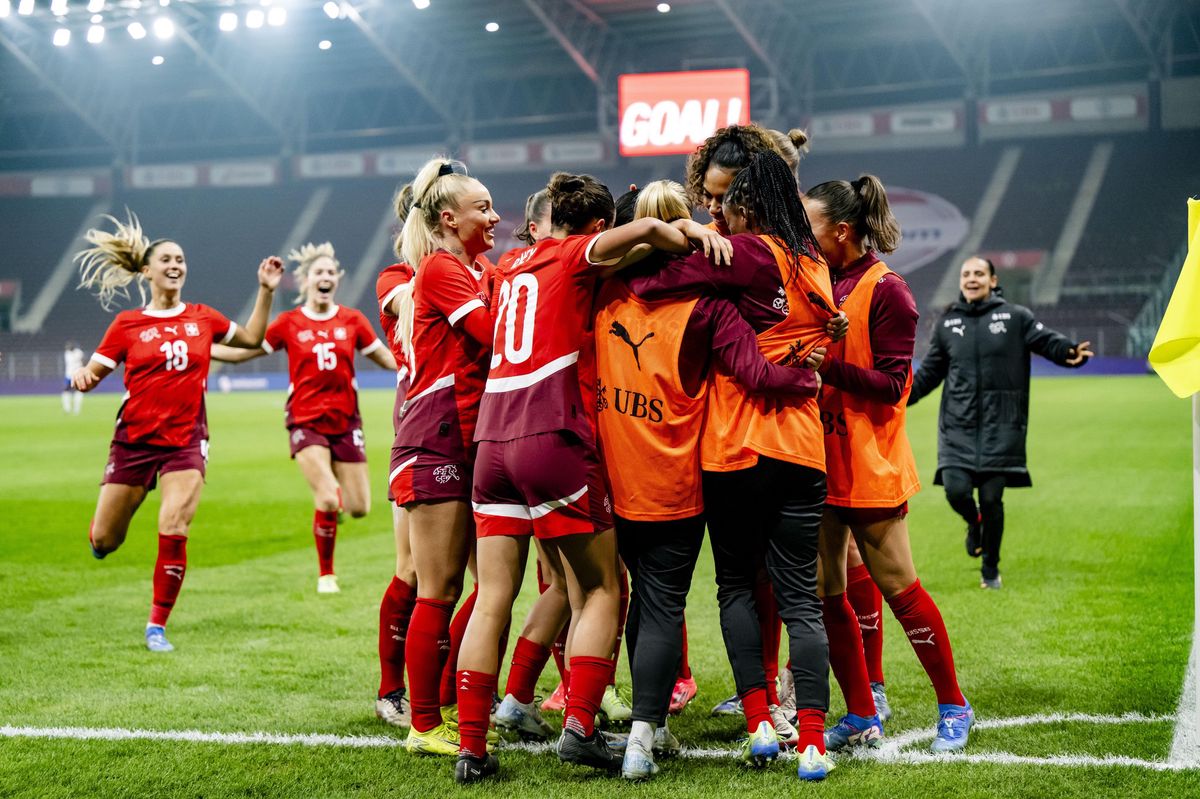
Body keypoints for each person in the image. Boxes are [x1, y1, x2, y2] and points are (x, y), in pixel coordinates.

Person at [452, 171, 732, 784]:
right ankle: (580, 727)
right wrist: (684, 227)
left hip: (492, 445)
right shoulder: (577, 252)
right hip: (551, 436)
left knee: (494, 595)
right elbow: (649, 232)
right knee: (604, 589)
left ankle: (472, 748)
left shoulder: (510, 264)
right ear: (598, 226)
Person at [598, 179, 827, 780]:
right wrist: (810, 378)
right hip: (677, 475)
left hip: (610, 476)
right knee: (673, 602)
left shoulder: (600, 289)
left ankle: (609, 723)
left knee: (622, 601)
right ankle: (658, 739)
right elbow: (758, 373)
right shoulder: (712, 306)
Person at [71, 212, 283, 652]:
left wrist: (264, 291)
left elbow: (249, 340)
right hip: (133, 442)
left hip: (185, 441)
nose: (175, 265)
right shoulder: (127, 324)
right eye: (166, 258)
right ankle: (101, 535)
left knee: (175, 524)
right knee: (105, 540)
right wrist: (82, 377)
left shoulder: (203, 317)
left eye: (181, 259)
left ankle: (156, 627)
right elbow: (94, 370)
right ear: (146, 270)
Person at [683, 124, 797, 721]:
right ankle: (772, 689)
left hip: (770, 425)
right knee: (774, 575)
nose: (714, 209)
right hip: (771, 423)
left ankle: (821, 692)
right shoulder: (753, 243)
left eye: (725, 197)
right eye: (708, 197)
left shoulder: (756, 248)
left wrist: (671, 232)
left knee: (822, 569)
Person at [211, 242, 396, 593]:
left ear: (336, 279)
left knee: (358, 508)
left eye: (330, 272)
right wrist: (203, 348)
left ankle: (334, 505)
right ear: (305, 281)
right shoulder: (288, 323)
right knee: (327, 496)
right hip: (305, 420)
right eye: (318, 273)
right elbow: (242, 354)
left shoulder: (352, 321)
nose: (325, 277)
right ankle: (327, 574)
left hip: (346, 422)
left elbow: (386, 359)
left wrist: (418, 366)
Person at [391, 158, 498, 757]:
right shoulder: (440, 268)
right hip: (437, 437)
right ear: (447, 217)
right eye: (483, 207)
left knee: (487, 585)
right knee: (438, 588)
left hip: (470, 435)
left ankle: (451, 705)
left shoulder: (473, 267)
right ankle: (423, 722)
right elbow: (493, 332)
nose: (495, 215)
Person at [909, 256, 1092, 589]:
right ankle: (972, 522)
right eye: (966, 274)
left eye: (979, 273)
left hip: (1001, 427)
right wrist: (898, 397)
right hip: (957, 426)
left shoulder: (1015, 317)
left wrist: (1068, 352)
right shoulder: (948, 323)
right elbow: (930, 373)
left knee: (992, 499)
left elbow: (1046, 340)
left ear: (993, 281)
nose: (972, 278)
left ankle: (990, 569)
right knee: (956, 490)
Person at [374, 183, 419, 728]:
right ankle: (391, 690)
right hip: (421, 434)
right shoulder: (397, 280)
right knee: (412, 568)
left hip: (480, 430)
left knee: (484, 580)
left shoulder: (480, 270)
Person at [62, 341, 85, 414]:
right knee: (66, 391)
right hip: (69, 375)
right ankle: (67, 408)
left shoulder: (79, 352)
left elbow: (82, 361)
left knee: (78, 390)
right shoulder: (67, 353)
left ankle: (76, 408)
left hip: (77, 374)